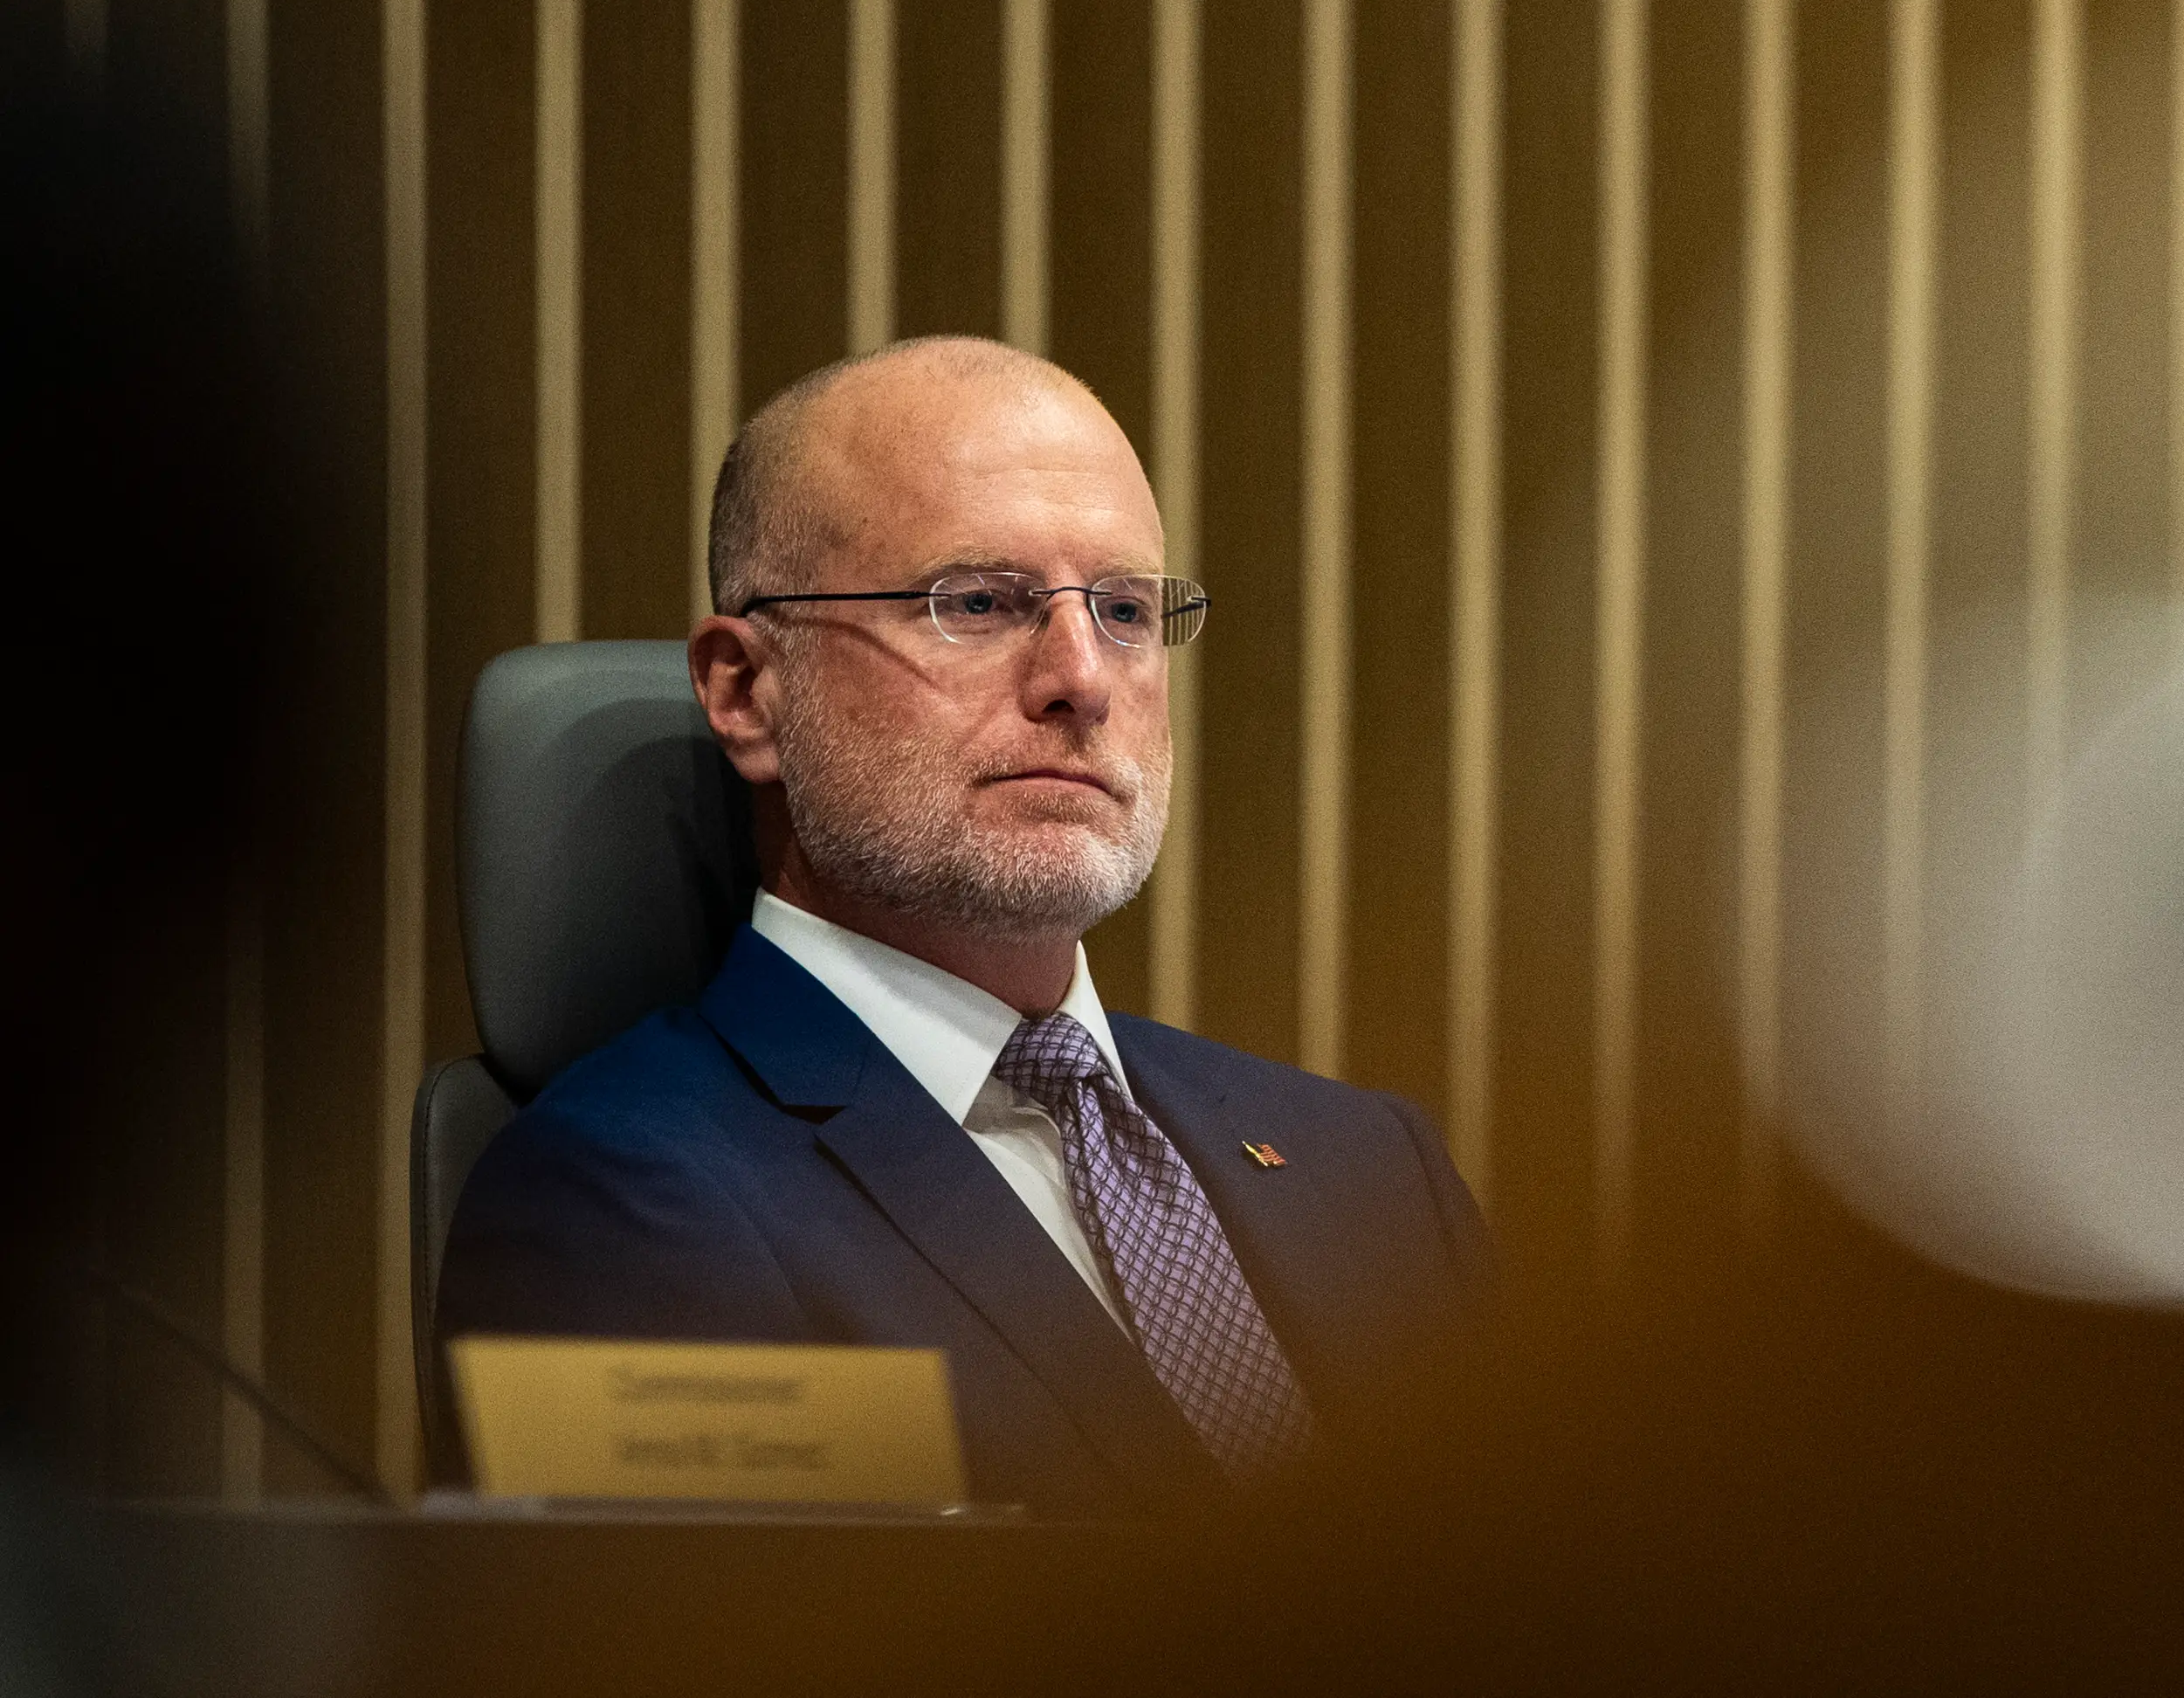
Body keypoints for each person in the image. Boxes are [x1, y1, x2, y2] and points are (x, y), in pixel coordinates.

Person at [437, 336, 1489, 1515]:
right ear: (745, 692)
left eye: (1127, 609)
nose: (1082, 678)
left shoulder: (1375, 1168)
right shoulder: (625, 1199)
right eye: (978, 603)